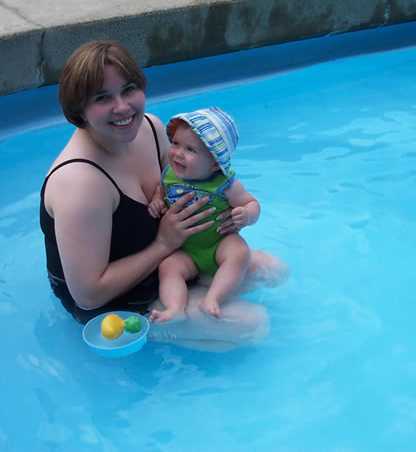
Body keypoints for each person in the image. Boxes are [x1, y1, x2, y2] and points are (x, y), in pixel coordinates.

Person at [40, 40, 288, 352]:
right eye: (103, 98)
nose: (123, 107)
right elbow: (89, 296)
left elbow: (184, 183)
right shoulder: (80, 183)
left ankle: (197, 295)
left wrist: (226, 216)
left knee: (274, 271)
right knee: (253, 324)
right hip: (119, 298)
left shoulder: (150, 128)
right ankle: (167, 324)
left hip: (174, 256)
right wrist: (163, 244)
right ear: (80, 110)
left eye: (129, 89)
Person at [148, 107, 257, 323]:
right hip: (186, 250)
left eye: (191, 149)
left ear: (215, 163)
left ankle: (214, 298)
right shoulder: (169, 173)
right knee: (169, 267)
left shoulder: (225, 185)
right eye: (176, 143)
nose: (178, 153)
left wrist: (246, 215)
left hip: (218, 244)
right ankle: (175, 308)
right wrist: (157, 200)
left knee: (239, 252)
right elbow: (160, 188)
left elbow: (251, 203)